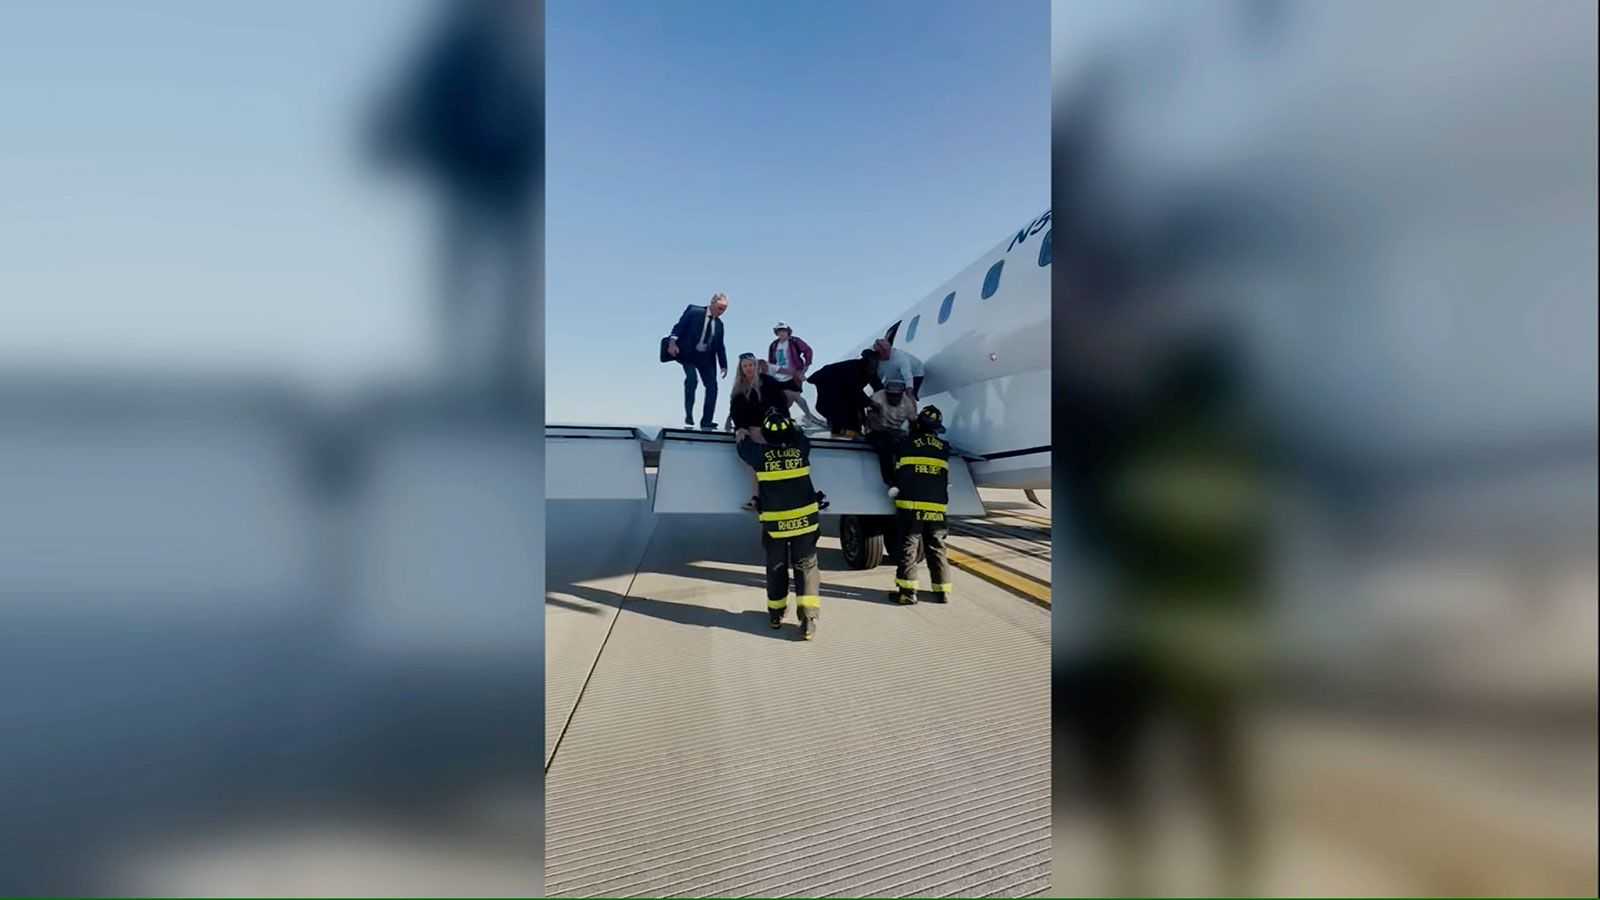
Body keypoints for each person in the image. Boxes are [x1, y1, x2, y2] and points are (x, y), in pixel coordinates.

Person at [369, 0, 540, 395]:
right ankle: (456, 370)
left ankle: (503, 370)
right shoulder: (462, 44)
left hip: (511, 179)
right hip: (468, 172)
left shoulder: (526, 48)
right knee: (463, 273)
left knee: (512, 279)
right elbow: (428, 93)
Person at [737, 408, 824, 640]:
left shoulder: (759, 455)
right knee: (806, 568)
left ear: (765, 435)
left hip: (776, 526)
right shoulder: (800, 449)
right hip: (805, 522)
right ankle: (808, 620)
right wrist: (792, 428)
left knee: (776, 568)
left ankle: (776, 614)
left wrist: (742, 432)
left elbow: (742, 446)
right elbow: (802, 437)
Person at [888, 406, 954, 605]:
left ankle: (908, 594)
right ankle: (942, 592)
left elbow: (894, 467)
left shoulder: (905, 443)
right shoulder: (944, 447)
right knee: (937, 548)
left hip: (911, 507)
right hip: (937, 508)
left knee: (909, 547)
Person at [726, 353, 792, 507]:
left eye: (751, 365)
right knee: (756, 464)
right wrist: (740, 427)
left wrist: (785, 422)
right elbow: (735, 410)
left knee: (774, 462)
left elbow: (782, 402)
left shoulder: (768, 381)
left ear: (756, 366)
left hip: (771, 427)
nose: (748, 368)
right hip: (752, 428)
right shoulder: (739, 387)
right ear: (741, 369)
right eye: (745, 366)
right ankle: (757, 497)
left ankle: (779, 496)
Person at [666, 293, 729, 429]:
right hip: (687, 354)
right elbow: (679, 327)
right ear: (712, 303)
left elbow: (720, 346)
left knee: (712, 388)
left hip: (706, 359)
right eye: (720, 308)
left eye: (724, 309)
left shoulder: (719, 324)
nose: (722, 312)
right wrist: (672, 343)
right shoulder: (694, 311)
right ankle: (689, 415)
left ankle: (707, 420)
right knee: (692, 379)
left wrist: (723, 365)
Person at [767, 322, 826, 428]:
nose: (782, 333)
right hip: (779, 375)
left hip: (794, 374)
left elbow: (807, 351)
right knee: (785, 399)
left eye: (784, 331)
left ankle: (808, 417)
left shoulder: (794, 341)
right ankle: (801, 417)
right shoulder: (774, 345)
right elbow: (771, 361)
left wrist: (805, 368)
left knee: (795, 396)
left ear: (788, 331)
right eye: (779, 331)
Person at [807, 350, 878, 437]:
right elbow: (854, 391)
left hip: (837, 390)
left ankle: (847, 433)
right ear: (865, 361)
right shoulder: (854, 369)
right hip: (829, 387)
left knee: (850, 411)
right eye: (871, 362)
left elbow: (875, 386)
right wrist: (870, 403)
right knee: (842, 413)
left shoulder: (868, 370)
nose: (873, 365)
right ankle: (843, 434)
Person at [863, 377, 918, 486]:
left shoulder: (908, 403)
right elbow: (873, 424)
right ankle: (890, 480)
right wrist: (893, 432)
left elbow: (914, 424)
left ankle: (909, 478)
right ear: (886, 392)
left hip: (896, 432)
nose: (893, 398)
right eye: (890, 395)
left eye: (897, 396)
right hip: (877, 431)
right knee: (885, 445)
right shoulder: (877, 398)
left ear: (902, 394)